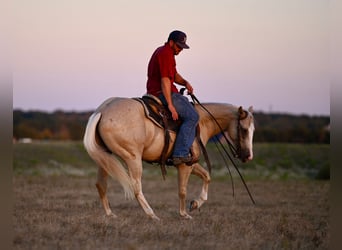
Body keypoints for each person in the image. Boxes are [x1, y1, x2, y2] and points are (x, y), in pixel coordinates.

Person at [146, 30, 199, 166]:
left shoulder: (167, 53)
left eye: (182, 47)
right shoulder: (165, 53)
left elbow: (173, 75)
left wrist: (185, 82)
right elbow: (165, 80)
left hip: (164, 91)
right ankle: (180, 153)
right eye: (179, 46)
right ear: (171, 42)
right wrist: (170, 104)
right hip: (163, 93)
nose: (180, 49)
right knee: (193, 116)